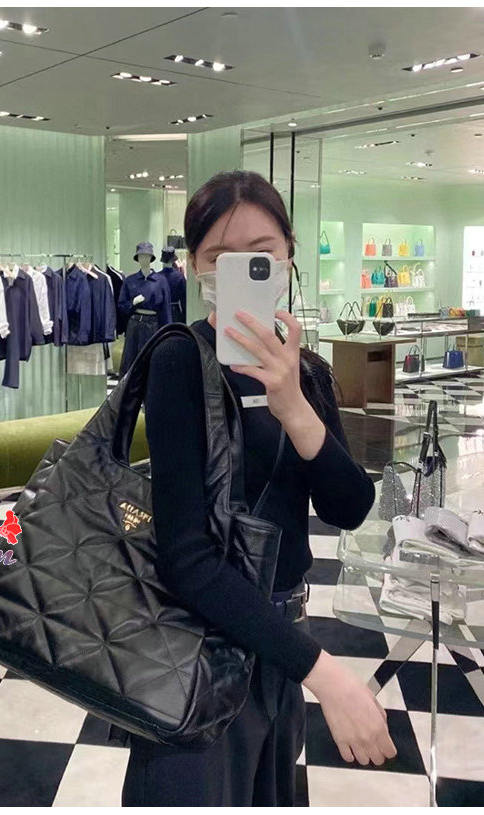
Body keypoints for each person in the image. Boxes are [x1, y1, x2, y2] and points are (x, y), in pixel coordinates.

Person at [120, 170, 396, 807]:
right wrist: (326, 675)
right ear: (194, 266)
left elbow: (349, 507)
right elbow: (189, 560)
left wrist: (294, 405)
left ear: (287, 257)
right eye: (220, 256)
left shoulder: (305, 371)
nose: (241, 268)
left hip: (280, 647)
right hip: (197, 653)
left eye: (261, 253)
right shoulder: (180, 361)